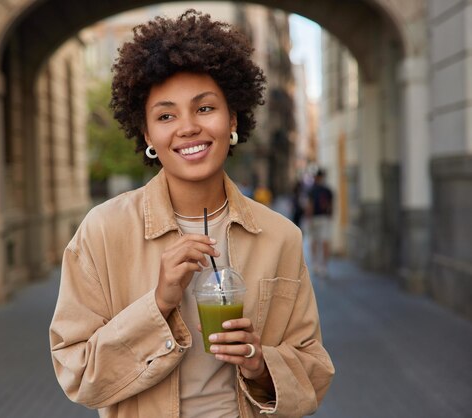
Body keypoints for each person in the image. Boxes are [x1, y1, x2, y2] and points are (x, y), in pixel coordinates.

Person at [49, 10, 334, 418]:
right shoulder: (103, 231)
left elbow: (315, 371)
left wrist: (260, 364)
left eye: (204, 109)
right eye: (166, 116)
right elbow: (76, 372)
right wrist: (158, 304)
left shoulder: (280, 236)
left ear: (232, 118)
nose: (187, 128)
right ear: (147, 134)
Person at [306, 169, 334, 277]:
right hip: (325, 218)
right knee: (325, 241)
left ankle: (315, 265)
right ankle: (324, 266)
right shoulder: (328, 190)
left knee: (314, 241)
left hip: (315, 218)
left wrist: (309, 218)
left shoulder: (312, 190)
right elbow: (331, 205)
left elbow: (310, 205)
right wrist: (330, 216)